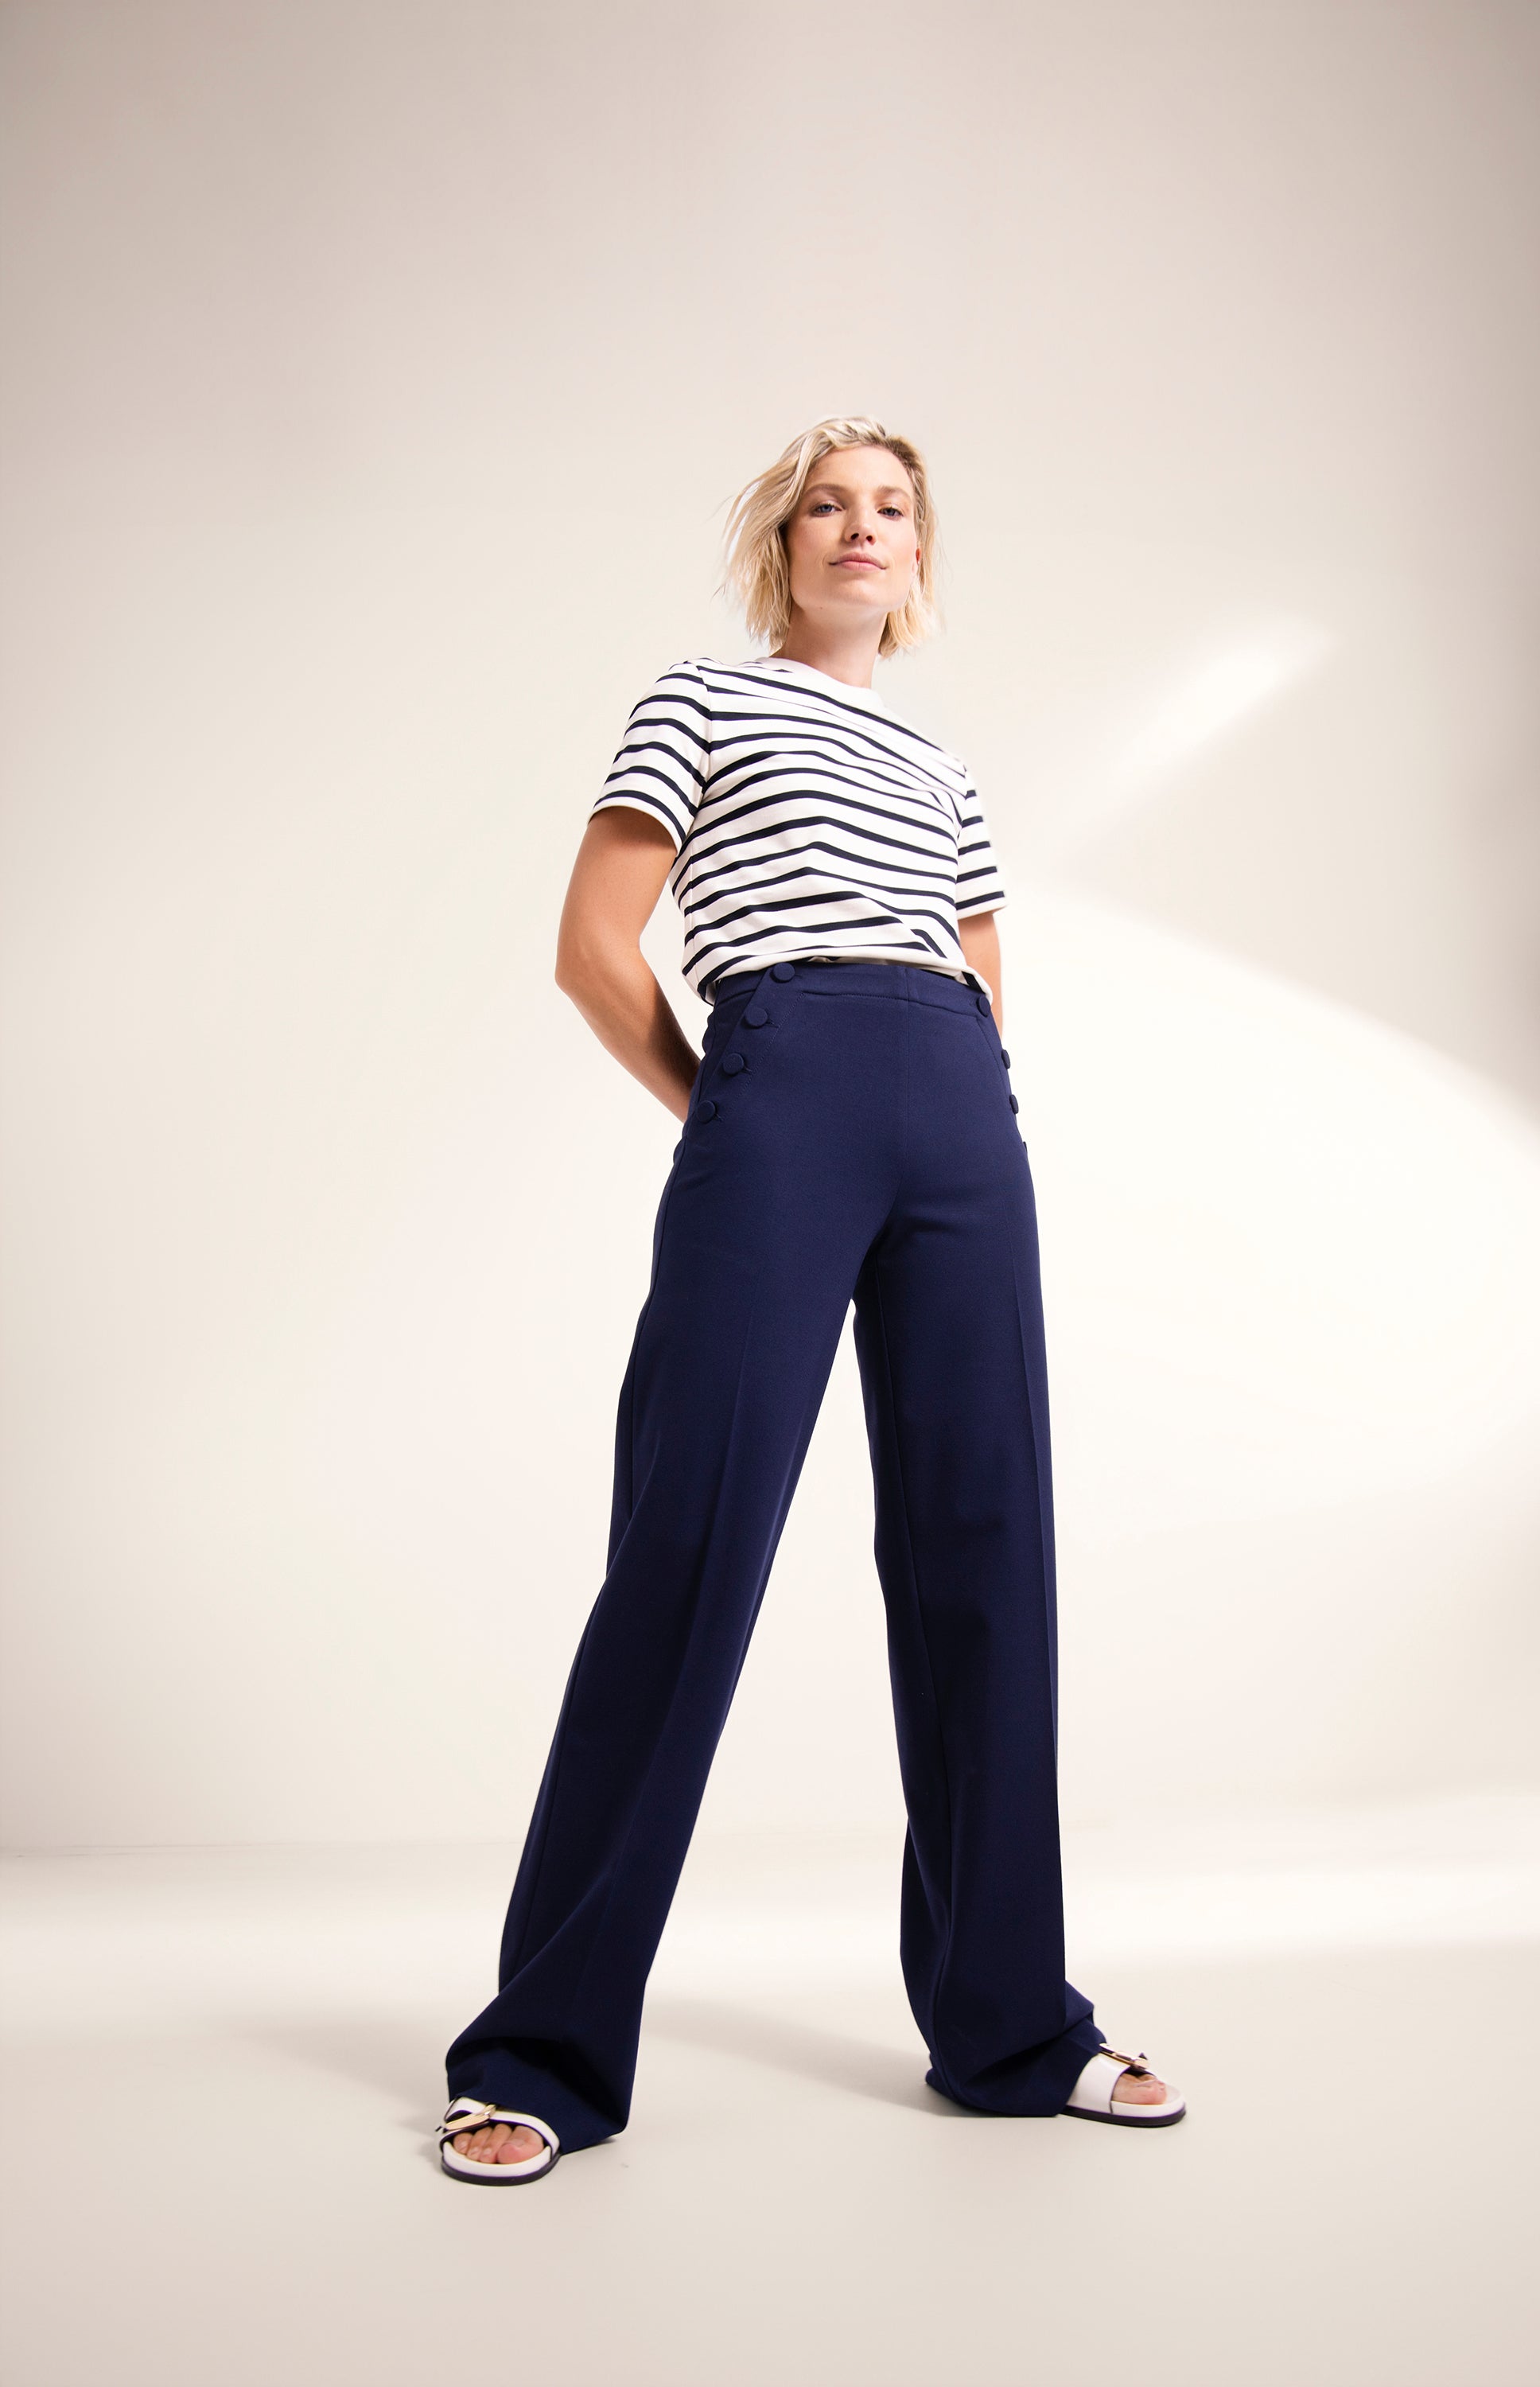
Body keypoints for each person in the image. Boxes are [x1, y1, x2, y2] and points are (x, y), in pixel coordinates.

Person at [436, 415, 1186, 2185]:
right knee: (688, 1544)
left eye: (893, 508)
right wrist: (733, 1107)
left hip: (959, 1119)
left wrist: (958, 1107)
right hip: (781, 1081)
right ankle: (539, 2054)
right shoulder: (700, 699)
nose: (864, 527)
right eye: (829, 505)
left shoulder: (942, 762)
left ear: (919, 554)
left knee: (986, 1550)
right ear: (780, 544)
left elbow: (980, 974)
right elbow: (594, 948)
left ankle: (1012, 2028)